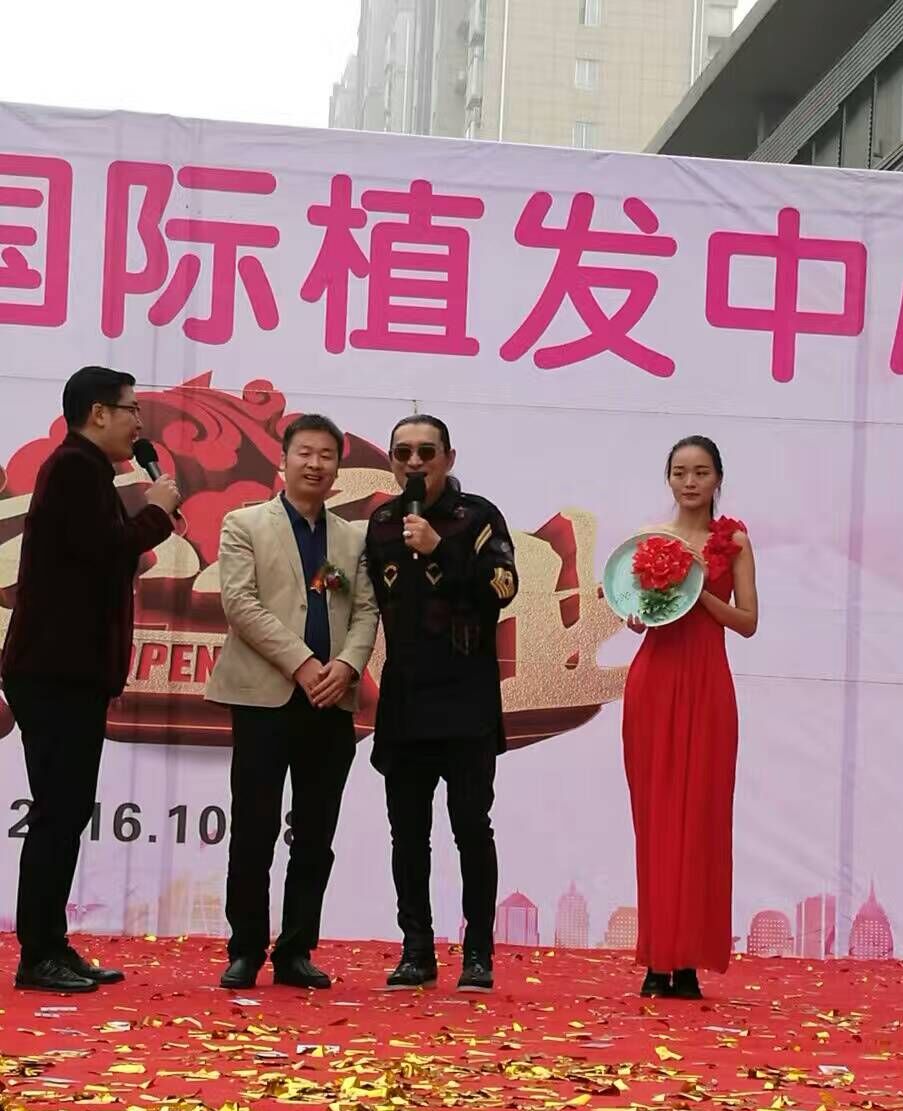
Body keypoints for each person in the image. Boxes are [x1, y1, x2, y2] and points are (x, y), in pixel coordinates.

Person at [0, 367, 179, 993]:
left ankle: (51, 943)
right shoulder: (75, 468)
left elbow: (96, 558)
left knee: (67, 810)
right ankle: (37, 955)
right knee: (58, 811)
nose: (138, 423)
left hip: (69, 672)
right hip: (55, 672)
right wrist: (158, 512)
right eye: (131, 410)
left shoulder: (87, 471)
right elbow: (108, 549)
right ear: (98, 412)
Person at [205, 414, 378, 990]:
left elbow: (365, 611)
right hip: (264, 698)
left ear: (338, 468)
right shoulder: (245, 524)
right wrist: (303, 664)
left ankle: (297, 950)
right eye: (305, 452)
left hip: (330, 701)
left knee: (315, 832)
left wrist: (347, 666)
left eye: (327, 455)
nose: (315, 464)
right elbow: (240, 603)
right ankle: (245, 949)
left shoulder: (352, 539)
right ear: (283, 461)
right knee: (253, 827)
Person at [365, 414, 518, 993]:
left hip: (466, 698)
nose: (415, 463)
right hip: (404, 699)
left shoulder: (477, 517)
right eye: (403, 452)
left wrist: (440, 551)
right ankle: (416, 949)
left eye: (427, 452)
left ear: (449, 459)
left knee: (472, 828)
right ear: (391, 461)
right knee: (407, 833)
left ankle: (478, 952)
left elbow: (503, 589)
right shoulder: (382, 522)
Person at [622, 436, 758, 1000]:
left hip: (708, 684)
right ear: (669, 479)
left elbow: (748, 622)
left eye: (701, 472)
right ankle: (658, 959)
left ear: (717, 477)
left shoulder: (734, 541)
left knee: (702, 821)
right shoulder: (652, 541)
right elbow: (637, 610)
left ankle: (690, 963)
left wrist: (700, 594)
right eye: (680, 472)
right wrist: (637, 615)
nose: (690, 482)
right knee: (655, 819)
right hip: (655, 682)